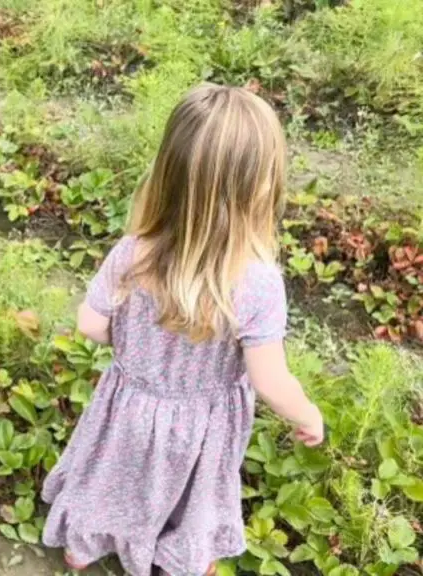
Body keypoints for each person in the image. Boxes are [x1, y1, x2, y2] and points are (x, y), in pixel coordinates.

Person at [41, 83, 326, 576]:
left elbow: (89, 323)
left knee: (114, 476)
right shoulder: (257, 284)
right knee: (196, 493)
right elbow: (270, 380)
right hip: (204, 426)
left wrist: (134, 348)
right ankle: (185, 558)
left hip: (128, 406)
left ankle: (82, 546)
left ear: (168, 172)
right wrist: (307, 413)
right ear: (261, 187)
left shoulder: (133, 252)